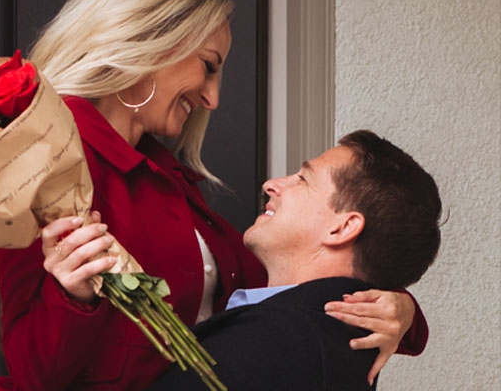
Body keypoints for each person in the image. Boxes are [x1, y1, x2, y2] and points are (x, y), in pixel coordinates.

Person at [0, 0, 428, 389]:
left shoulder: (168, 180)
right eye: (208, 66)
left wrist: (401, 310)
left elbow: (290, 281)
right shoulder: (42, 158)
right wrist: (74, 297)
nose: (213, 97)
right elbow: (35, 375)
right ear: (153, 43)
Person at [151, 130, 442, 390]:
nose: (271, 184)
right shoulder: (337, 341)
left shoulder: (271, 344)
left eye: (303, 179)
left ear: (342, 228)